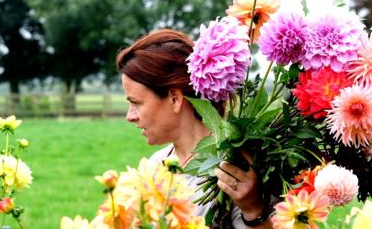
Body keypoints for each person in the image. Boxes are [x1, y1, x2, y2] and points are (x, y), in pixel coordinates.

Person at [116, 29, 273, 229]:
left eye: (136, 103)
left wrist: (253, 210)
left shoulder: (236, 169)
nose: (130, 116)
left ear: (175, 99)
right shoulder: (155, 165)